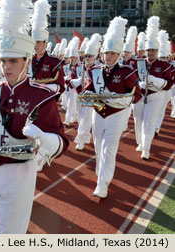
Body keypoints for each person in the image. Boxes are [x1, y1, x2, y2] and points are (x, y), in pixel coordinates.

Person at [0, 0, 68, 234]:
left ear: (27, 60)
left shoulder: (41, 96)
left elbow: (61, 142)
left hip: (21, 170)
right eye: (3, 60)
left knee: (11, 234)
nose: (7, 67)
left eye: (13, 60)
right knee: (1, 226)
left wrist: (43, 137)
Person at [83, 16, 142, 198]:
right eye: (106, 53)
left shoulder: (127, 72)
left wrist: (117, 100)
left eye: (112, 53)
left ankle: (103, 184)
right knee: (98, 146)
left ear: (118, 55)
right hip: (98, 113)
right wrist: (94, 98)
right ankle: (101, 173)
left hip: (117, 115)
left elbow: (136, 95)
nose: (108, 56)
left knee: (109, 148)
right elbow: (86, 93)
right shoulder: (94, 70)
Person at [132, 16, 173, 160]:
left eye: (153, 50)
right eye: (149, 50)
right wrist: (138, 83)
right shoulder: (138, 63)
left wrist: (154, 80)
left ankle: (146, 148)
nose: (151, 53)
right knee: (138, 120)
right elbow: (131, 78)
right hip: (140, 95)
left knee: (149, 122)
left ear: (157, 50)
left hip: (156, 97)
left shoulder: (164, 65)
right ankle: (141, 142)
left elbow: (169, 83)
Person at [71, 33, 102, 150]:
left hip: (90, 97)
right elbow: (70, 81)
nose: (87, 58)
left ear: (94, 57)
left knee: (86, 118)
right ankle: (85, 135)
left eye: (90, 56)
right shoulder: (79, 67)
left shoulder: (98, 69)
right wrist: (77, 81)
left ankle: (81, 139)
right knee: (80, 117)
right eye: (86, 56)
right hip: (79, 95)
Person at [29, 0, 64, 94]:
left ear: (45, 43)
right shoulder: (26, 60)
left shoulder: (55, 62)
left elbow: (60, 87)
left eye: (38, 42)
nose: (35, 45)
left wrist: (43, 87)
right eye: (33, 42)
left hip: (45, 99)